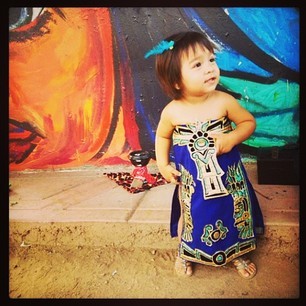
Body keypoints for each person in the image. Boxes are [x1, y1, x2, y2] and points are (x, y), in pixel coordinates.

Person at [146, 31, 264, 279]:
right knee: (190, 216)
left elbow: (247, 122)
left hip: (229, 180)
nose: (210, 69)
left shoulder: (224, 101)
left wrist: (231, 138)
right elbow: (163, 137)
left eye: (211, 60)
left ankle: (237, 252)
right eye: (197, 65)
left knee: (232, 212)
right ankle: (185, 251)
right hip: (193, 184)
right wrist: (164, 166)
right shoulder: (172, 112)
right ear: (176, 80)